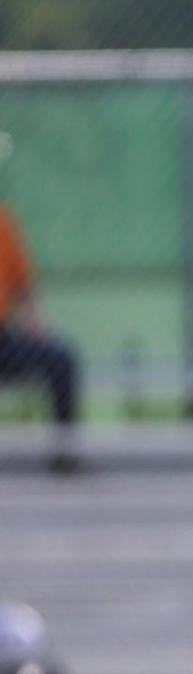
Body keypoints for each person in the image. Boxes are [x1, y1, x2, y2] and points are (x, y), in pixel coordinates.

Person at [0, 134, 81, 474]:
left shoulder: (4, 223)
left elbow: (25, 283)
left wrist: (36, 322)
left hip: (2, 340)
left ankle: (64, 451)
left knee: (61, 358)